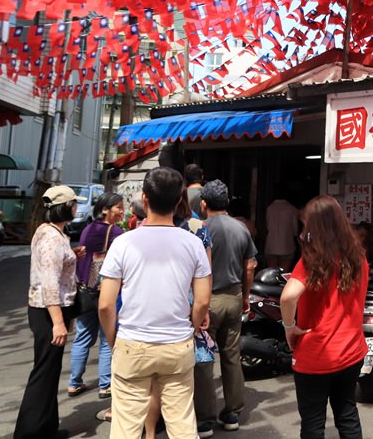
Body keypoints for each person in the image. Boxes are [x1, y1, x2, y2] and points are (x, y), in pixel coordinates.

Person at [98, 167, 212, 439]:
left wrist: (115, 341)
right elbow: (203, 300)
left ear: (144, 199)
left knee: (125, 427)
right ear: (178, 202)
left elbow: (105, 305)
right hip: (177, 345)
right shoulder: (193, 243)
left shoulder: (123, 242)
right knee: (182, 424)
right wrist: (193, 327)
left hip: (131, 344)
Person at [280, 196, 368, 439]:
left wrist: (290, 326)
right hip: (351, 351)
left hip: (316, 355)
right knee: (347, 414)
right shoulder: (358, 258)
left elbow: (288, 297)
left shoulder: (311, 261)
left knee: (313, 423)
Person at [14, 185, 84, 439]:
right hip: (49, 313)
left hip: (47, 311)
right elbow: (50, 283)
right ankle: (29, 433)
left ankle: (46, 428)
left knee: (49, 372)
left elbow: (52, 267)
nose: (76, 207)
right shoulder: (53, 238)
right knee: (44, 373)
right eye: (74, 203)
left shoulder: (50, 232)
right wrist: (58, 323)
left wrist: (72, 256)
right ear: (65, 207)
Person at [195, 180, 257, 437]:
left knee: (204, 360)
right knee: (231, 356)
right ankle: (232, 412)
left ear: (204, 204)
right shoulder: (241, 229)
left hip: (207, 300)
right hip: (233, 297)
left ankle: (205, 419)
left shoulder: (200, 230)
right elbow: (250, 266)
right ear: (227, 203)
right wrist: (244, 296)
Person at [68, 192, 125, 399]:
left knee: (82, 337)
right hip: (105, 292)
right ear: (104, 209)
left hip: (85, 290)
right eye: (118, 207)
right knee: (106, 338)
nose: (122, 211)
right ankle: (105, 384)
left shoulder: (87, 229)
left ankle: (74, 382)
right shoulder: (116, 232)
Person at [264, 186, 298, 269]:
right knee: (283, 275)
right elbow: (295, 231)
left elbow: (268, 227)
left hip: (271, 246)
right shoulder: (292, 209)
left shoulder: (270, 208)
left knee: (271, 274)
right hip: (287, 246)